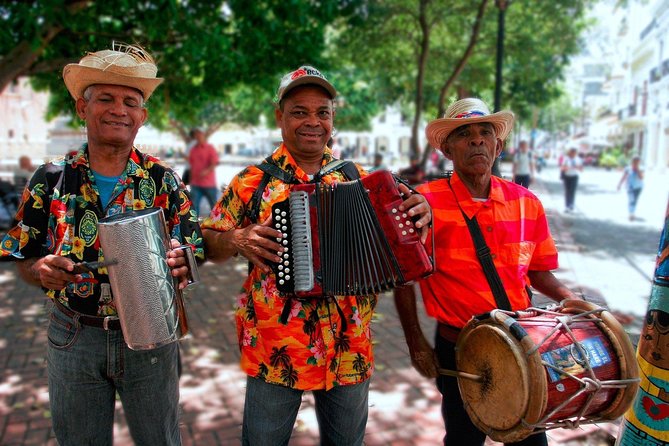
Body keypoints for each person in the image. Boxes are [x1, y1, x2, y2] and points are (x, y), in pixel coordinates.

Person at [201, 65, 432, 445]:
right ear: (280, 117)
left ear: (332, 120)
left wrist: (421, 208)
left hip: (349, 346)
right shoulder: (251, 182)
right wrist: (237, 239)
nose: (313, 122)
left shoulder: (363, 180)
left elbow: (407, 225)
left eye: (322, 112)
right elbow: (209, 242)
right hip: (275, 347)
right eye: (299, 111)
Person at [0, 43, 204, 445]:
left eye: (130, 101)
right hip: (74, 334)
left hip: (153, 335)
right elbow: (22, 254)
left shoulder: (162, 179)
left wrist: (185, 261)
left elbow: (194, 245)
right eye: (105, 98)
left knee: (159, 439)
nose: (118, 110)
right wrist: (39, 270)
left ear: (142, 117)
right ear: (82, 108)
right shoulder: (50, 179)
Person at [393, 98, 579, 446]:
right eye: (464, 134)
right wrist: (415, 342)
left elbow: (539, 273)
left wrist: (574, 301)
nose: (476, 140)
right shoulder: (422, 203)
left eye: (485, 133)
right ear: (447, 149)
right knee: (464, 438)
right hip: (461, 347)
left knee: (530, 439)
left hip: (523, 344)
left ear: (499, 145)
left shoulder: (527, 202)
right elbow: (403, 278)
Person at [188, 127, 219, 217]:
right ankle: (195, 227)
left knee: (214, 207)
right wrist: (190, 181)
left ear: (203, 135)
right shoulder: (193, 150)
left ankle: (217, 225)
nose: (197, 136)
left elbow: (214, 163)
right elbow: (191, 166)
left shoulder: (210, 148)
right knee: (194, 207)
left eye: (199, 133)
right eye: (196, 134)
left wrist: (206, 171)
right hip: (195, 184)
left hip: (209, 184)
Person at [617, 154, 644, 221]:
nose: (635, 162)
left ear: (639, 162)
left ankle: (632, 212)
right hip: (630, 187)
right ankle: (631, 214)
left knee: (635, 200)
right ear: (632, 161)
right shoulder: (627, 168)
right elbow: (624, 176)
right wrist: (619, 184)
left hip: (638, 187)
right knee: (631, 200)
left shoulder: (641, 168)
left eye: (637, 161)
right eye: (634, 161)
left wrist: (637, 170)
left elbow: (641, 177)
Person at [560, 147, 583, 213]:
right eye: (572, 152)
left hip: (574, 176)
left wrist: (578, 167)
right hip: (567, 176)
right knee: (567, 191)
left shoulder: (578, 159)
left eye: (574, 153)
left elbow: (581, 169)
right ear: (570, 153)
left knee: (572, 191)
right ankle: (567, 205)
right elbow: (562, 168)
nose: (573, 154)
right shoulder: (566, 159)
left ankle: (571, 205)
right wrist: (567, 168)